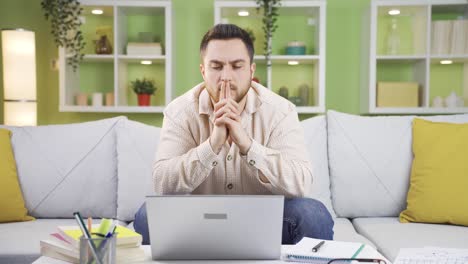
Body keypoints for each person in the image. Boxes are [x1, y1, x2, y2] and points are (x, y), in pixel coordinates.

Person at [134, 24, 333, 245]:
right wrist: (212, 145)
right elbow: (162, 183)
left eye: (237, 66)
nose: (226, 77)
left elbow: (301, 182)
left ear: (251, 70)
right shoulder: (179, 112)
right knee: (146, 216)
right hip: (199, 221)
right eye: (216, 66)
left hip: (262, 219)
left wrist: (247, 145)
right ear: (203, 71)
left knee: (314, 215)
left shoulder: (280, 111)